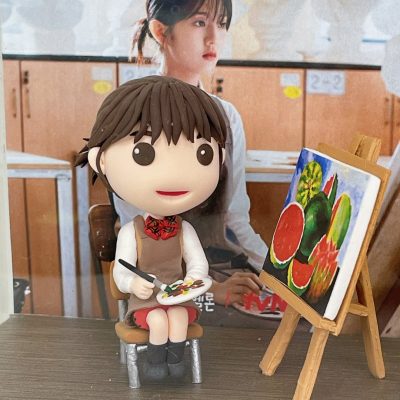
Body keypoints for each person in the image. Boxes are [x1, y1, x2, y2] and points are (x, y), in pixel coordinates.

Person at [115, 0, 269, 307]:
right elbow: (141, 237)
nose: (213, 38)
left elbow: (237, 218)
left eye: (221, 24)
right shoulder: (133, 114)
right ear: (161, 31)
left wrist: (277, 276)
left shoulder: (226, 116)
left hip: (217, 273)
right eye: (199, 23)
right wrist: (211, 292)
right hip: (161, 289)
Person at [77, 75, 227, 379]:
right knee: (158, 321)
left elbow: (198, 264)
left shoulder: (184, 230)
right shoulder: (132, 232)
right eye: (143, 153)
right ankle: (156, 364)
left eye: (203, 153)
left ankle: (175, 362)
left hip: (178, 297)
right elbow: (121, 270)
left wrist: (193, 279)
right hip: (144, 301)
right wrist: (133, 284)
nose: (173, 175)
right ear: (101, 161)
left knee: (179, 319)